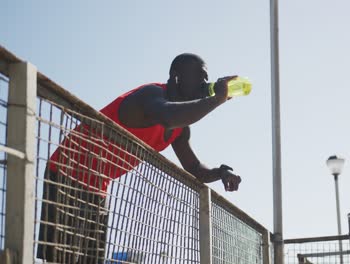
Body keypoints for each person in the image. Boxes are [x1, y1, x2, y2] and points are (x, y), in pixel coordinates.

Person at [37, 53, 242, 263]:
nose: (205, 83)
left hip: (98, 187)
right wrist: (216, 100)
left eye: (206, 78)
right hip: (65, 172)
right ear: (176, 76)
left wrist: (221, 172)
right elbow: (168, 116)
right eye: (200, 76)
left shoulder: (181, 129)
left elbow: (196, 168)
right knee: (60, 259)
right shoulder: (150, 94)